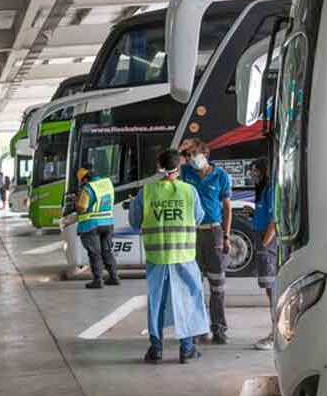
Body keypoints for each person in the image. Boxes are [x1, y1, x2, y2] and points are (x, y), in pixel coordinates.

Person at [129, 149, 208, 364]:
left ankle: (156, 350)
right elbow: (198, 218)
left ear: (159, 167)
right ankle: (187, 349)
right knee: (188, 299)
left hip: (157, 258)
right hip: (184, 255)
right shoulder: (189, 191)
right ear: (179, 168)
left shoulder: (146, 192)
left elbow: (135, 222)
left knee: (157, 302)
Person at [178, 139, 232, 344]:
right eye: (188, 155)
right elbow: (165, 165)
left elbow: (227, 207)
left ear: (204, 154)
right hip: (191, 234)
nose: (191, 158)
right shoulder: (186, 174)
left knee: (217, 285)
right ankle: (197, 328)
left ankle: (218, 328)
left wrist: (226, 236)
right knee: (193, 284)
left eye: (193, 154)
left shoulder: (221, 176)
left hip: (214, 233)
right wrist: (180, 149)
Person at [70, 166, 119, 289]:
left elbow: (83, 208)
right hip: (108, 222)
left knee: (95, 253)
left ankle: (98, 280)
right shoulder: (107, 183)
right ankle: (114, 277)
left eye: (82, 181)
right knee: (106, 250)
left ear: (85, 178)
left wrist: (76, 202)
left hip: (91, 224)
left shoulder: (88, 188)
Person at [247, 158, 277, 351]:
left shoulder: (272, 188)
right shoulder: (263, 189)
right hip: (262, 238)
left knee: (272, 289)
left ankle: (277, 334)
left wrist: (266, 242)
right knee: (269, 289)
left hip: (267, 241)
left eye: (256, 171)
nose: (253, 174)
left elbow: (275, 218)